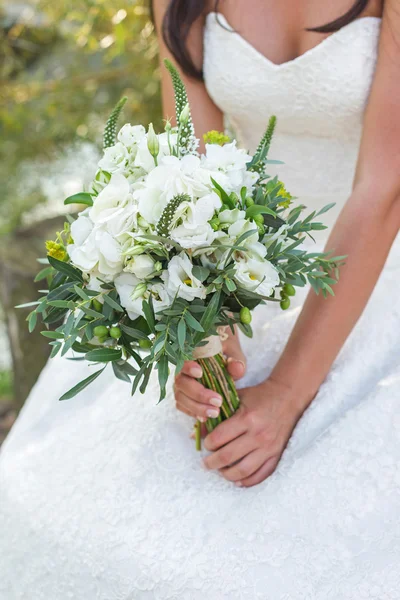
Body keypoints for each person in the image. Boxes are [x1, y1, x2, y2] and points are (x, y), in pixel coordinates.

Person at [1, 1, 400, 598]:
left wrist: (289, 392)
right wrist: (205, 328)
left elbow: (384, 187)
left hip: (377, 266)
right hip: (243, 265)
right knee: (52, 517)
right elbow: (192, 165)